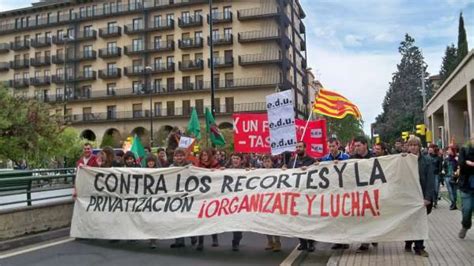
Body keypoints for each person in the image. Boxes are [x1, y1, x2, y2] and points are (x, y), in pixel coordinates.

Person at [404, 136, 434, 257]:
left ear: (419, 146)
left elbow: (430, 180)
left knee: (419, 222)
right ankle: (408, 241)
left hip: (421, 196)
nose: (413, 147)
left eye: (415, 145)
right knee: (410, 221)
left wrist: (428, 197)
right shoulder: (403, 160)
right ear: (408, 147)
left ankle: (419, 247)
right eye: (410, 145)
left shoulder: (427, 161)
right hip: (408, 196)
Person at [286, 141, 316, 252]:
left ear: (305, 148)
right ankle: (302, 242)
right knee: (297, 220)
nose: (298, 148)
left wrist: (309, 169)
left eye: (300, 147)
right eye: (297, 147)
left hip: (307, 195)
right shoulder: (292, 161)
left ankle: (311, 243)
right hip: (295, 195)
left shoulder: (311, 161)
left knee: (308, 220)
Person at [320, 138, 350, 250]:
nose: (331, 148)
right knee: (334, 218)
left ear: (338, 145)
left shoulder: (347, 158)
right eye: (329, 146)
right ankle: (337, 241)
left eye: (333, 146)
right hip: (331, 193)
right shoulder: (325, 159)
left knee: (344, 217)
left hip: (344, 192)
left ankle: (345, 241)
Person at [352, 136, 378, 252]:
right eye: (355, 146)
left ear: (365, 145)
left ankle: (373, 236)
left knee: (372, 216)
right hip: (359, 194)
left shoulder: (374, 158)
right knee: (363, 218)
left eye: (358, 145)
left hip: (373, 193)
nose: (356, 148)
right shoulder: (352, 159)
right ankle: (365, 243)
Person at [168, 148, 197, 248]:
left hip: (187, 196)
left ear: (185, 156)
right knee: (176, 218)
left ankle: (192, 236)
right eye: (177, 156)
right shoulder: (170, 167)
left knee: (187, 218)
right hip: (175, 196)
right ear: (174, 157)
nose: (179, 157)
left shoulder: (190, 167)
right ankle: (179, 240)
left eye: (181, 155)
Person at [193, 148, 220, 251]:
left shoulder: (215, 164)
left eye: (206, 155)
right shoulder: (197, 165)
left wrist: (219, 171)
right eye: (202, 155)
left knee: (212, 217)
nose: (204, 157)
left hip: (212, 195)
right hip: (201, 195)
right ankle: (200, 242)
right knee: (201, 219)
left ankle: (214, 238)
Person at [261, 155, 282, 252]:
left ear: (272, 162)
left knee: (275, 223)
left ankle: (277, 242)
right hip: (264, 201)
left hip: (275, 201)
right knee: (266, 223)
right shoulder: (259, 172)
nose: (266, 163)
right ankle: (270, 241)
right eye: (264, 162)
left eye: (268, 161)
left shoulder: (277, 172)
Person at [227, 153, 246, 251]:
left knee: (238, 223)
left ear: (241, 160)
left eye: (237, 158)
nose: (235, 160)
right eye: (233, 158)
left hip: (242, 201)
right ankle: (235, 241)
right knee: (233, 222)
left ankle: (236, 240)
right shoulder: (226, 170)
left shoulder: (246, 171)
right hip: (229, 201)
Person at [457, 139, 474, 239]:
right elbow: (461, 164)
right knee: (467, 209)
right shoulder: (464, 149)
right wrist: (468, 164)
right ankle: (465, 225)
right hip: (466, 185)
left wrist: (470, 163)